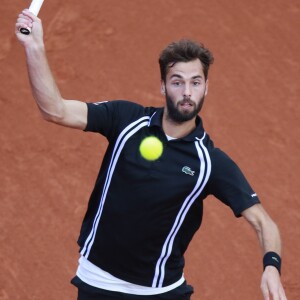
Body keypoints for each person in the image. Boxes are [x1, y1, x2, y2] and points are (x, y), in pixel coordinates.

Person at [15, 9, 287, 300]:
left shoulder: (210, 162)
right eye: (177, 81)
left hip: (161, 292)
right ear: (162, 85)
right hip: (97, 282)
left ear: (206, 88)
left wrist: (271, 266)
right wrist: (35, 47)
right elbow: (55, 109)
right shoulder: (125, 120)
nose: (186, 92)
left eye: (195, 82)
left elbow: (262, 221)